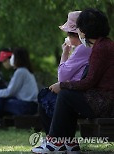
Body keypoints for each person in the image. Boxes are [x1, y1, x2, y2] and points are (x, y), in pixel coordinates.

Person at [38, 8, 114, 154]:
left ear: (84, 31)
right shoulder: (104, 44)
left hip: (106, 104)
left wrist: (62, 85)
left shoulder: (101, 48)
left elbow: (89, 82)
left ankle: (56, 141)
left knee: (66, 95)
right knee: (68, 95)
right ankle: (64, 142)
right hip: (104, 100)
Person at [32, 11, 92, 153]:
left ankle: (55, 141)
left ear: (74, 34)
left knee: (45, 97)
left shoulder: (81, 49)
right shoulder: (87, 47)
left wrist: (64, 53)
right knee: (53, 96)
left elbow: (62, 78)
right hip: (83, 92)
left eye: (69, 34)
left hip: (77, 94)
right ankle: (69, 143)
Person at [0, 47, 39, 129]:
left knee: (0, 98)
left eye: (13, 56)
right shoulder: (26, 71)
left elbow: (9, 92)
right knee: (1, 98)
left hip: (27, 107)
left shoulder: (20, 71)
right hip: (30, 105)